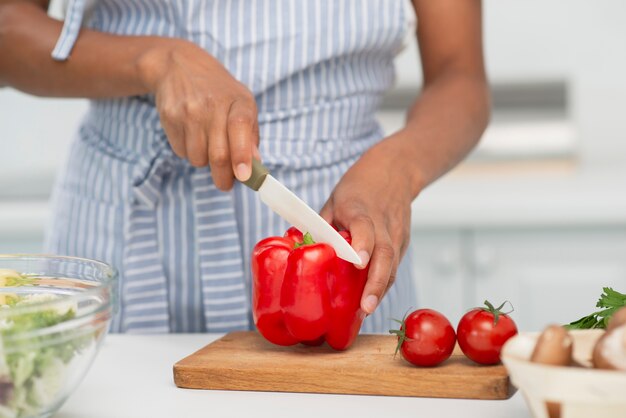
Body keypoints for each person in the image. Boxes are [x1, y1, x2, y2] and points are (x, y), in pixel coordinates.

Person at [0, 0, 489, 333]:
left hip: (339, 234)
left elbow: (460, 77)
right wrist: (154, 60)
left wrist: (398, 168)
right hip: (121, 232)